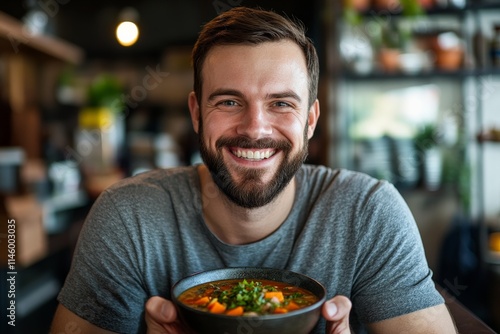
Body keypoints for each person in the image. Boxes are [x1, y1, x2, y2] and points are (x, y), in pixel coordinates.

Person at [51, 6, 457, 334]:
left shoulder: (368, 214)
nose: (254, 129)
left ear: (310, 120)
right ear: (196, 113)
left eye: (281, 103)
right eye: (228, 102)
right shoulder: (128, 217)